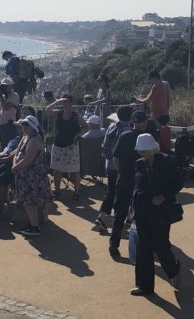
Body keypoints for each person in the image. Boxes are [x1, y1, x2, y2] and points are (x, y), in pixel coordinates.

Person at [129, 134, 182, 297]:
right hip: (142, 210)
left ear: (153, 148)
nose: (142, 153)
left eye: (145, 150)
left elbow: (178, 183)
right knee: (143, 248)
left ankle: (173, 270)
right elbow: (136, 188)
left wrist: (164, 196)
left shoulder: (167, 162)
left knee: (160, 244)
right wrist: (131, 207)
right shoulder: (139, 164)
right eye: (141, 150)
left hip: (161, 211)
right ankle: (144, 286)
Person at [109, 111, 152, 258]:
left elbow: (116, 158)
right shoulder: (147, 137)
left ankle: (114, 245)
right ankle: (144, 245)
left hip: (124, 179)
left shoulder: (124, 136)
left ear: (133, 122)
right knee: (142, 215)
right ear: (144, 122)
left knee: (119, 214)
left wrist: (122, 172)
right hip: (142, 181)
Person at [9, 117, 52, 237]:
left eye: (26, 125)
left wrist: (15, 167)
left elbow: (28, 159)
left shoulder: (34, 140)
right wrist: (14, 165)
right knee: (28, 201)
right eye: (23, 125)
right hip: (24, 174)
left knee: (30, 202)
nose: (23, 127)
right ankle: (33, 224)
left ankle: (35, 227)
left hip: (32, 176)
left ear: (32, 127)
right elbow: (17, 153)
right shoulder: (25, 137)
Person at [95, 105, 133, 234]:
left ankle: (104, 217)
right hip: (121, 166)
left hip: (109, 164)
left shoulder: (112, 126)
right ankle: (124, 217)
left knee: (111, 191)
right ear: (130, 116)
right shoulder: (128, 130)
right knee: (126, 192)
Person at [46, 94, 87, 200]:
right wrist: (57, 102)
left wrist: (77, 135)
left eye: (67, 101)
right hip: (58, 145)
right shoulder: (59, 113)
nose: (65, 104)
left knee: (74, 170)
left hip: (71, 146)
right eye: (64, 102)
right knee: (57, 169)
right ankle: (57, 190)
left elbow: (86, 127)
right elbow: (47, 111)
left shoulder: (76, 115)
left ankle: (76, 192)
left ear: (71, 103)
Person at [0, 81, 20, 149]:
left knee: (10, 146)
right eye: (3, 86)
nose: (4, 88)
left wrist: (0, 95)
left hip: (9, 124)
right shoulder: (2, 96)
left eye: (6, 86)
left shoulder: (14, 95)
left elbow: (5, 107)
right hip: (1, 125)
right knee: (4, 146)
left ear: (11, 86)